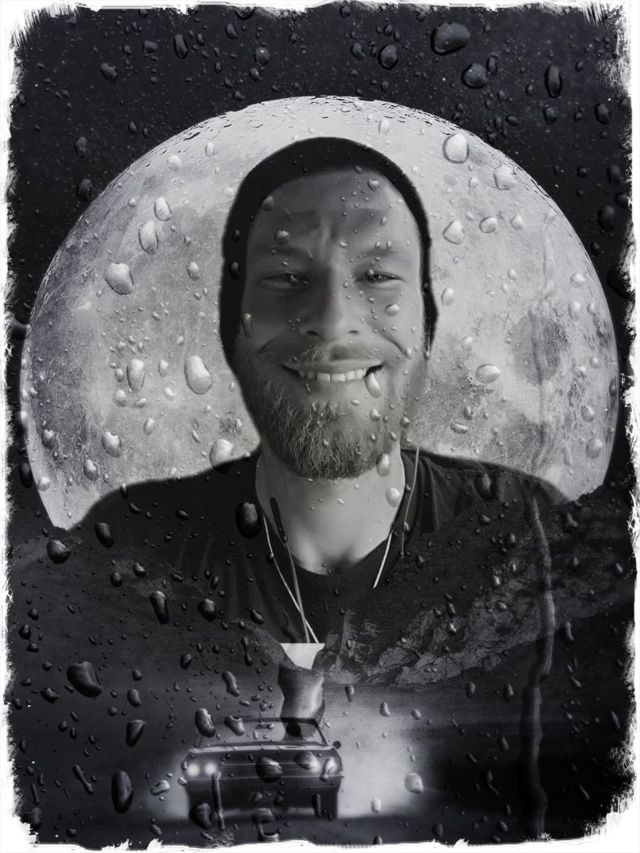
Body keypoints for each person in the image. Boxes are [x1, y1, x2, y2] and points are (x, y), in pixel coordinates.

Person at [78, 137, 562, 660]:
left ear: (427, 329)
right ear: (231, 327)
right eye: (287, 277)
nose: (332, 323)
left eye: (377, 276)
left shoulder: (529, 533)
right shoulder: (133, 546)